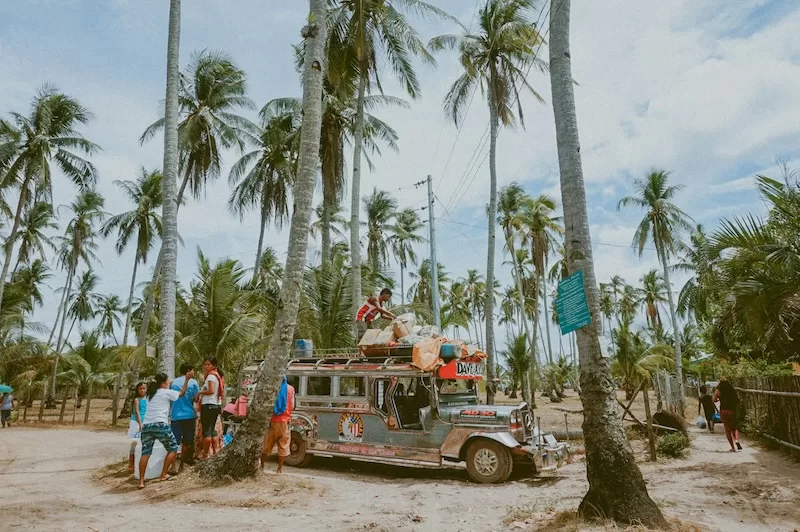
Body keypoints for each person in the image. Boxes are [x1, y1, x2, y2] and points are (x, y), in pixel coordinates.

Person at [138, 370, 193, 489]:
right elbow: (182, 393)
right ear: (163, 383)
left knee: (145, 453)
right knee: (173, 448)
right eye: (168, 381)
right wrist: (187, 379)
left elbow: (164, 386)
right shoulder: (166, 392)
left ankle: (141, 481)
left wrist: (169, 381)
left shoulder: (150, 394)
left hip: (147, 425)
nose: (169, 382)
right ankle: (163, 474)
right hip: (160, 424)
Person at [261, 376, 295, 473]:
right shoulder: (291, 389)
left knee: (266, 445)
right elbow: (292, 405)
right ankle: (279, 470)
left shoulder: (273, 387)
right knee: (283, 446)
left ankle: (262, 466)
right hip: (285, 421)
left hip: (273, 420)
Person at [170, 363, 199, 470]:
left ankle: (173, 465)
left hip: (175, 415)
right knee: (187, 441)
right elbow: (196, 398)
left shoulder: (173, 382)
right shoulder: (193, 382)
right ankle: (182, 464)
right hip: (189, 415)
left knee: (174, 441)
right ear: (188, 371)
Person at [196, 357, 224, 459]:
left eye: (208, 364)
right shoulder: (217, 376)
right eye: (205, 364)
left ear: (213, 366)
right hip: (216, 405)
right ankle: (216, 451)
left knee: (206, 431)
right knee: (212, 430)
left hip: (208, 405)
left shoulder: (211, 377)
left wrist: (200, 392)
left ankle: (205, 454)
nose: (206, 366)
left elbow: (211, 391)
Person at [714, 379, 742, 452]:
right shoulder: (731, 391)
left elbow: (714, 400)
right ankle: (736, 440)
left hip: (723, 411)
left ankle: (732, 447)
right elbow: (737, 401)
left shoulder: (718, 391)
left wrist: (719, 399)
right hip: (732, 411)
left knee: (727, 429)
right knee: (734, 427)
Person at [127, 382, 147, 472]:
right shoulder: (137, 399)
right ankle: (131, 463)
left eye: (144, 388)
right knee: (134, 442)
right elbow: (137, 412)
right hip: (136, 423)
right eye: (140, 389)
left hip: (146, 422)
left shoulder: (149, 399)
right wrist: (140, 424)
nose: (142, 390)